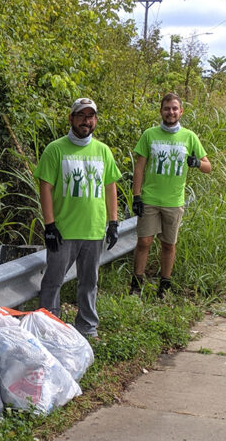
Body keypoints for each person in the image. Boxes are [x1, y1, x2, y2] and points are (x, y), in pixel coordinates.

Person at [36, 97, 120, 339]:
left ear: (95, 120)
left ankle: (87, 326)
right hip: (64, 230)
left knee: (89, 282)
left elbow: (109, 187)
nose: (86, 121)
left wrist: (113, 223)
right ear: (71, 118)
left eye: (90, 116)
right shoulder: (55, 149)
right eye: (81, 116)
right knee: (53, 281)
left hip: (94, 230)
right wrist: (49, 225)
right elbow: (46, 187)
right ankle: (49, 326)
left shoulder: (102, 151)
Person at [130, 92, 211, 297]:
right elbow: (139, 167)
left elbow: (208, 167)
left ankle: (164, 286)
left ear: (181, 111)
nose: (171, 112)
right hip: (149, 198)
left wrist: (196, 163)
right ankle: (136, 286)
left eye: (174, 108)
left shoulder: (189, 137)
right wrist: (136, 196)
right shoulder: (150, 134)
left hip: (174, 201)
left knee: (168, 244)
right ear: (161, 111)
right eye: (167, 108)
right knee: (144, 242)